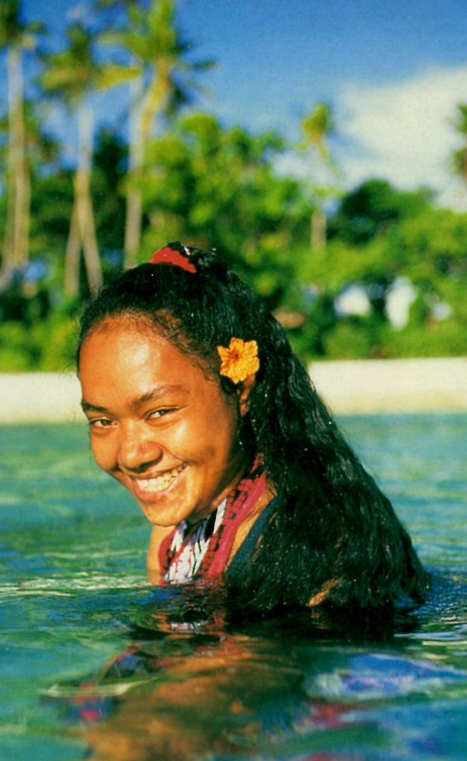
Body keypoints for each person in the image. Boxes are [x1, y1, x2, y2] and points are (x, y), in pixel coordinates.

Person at [77, 242, 428, 618]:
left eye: (160, 412)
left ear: (241, 389)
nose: (131, 454)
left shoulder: (315, 546)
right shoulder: (172, 534)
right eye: (103, 421)